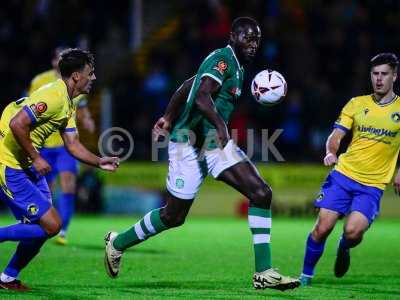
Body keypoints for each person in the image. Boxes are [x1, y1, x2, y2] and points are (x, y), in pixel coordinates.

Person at [104, 17, 300, 290]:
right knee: (173, 216)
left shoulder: (237, 67)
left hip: (211, 144)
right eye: (248, 38)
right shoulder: (223, 59)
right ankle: (118, 242)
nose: (253, 45)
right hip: (190, 143)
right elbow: (200, 95)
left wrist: (169, 117)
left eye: (257, 40)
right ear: (233, 36)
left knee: (261, 193)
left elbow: (189, 84)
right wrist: (218, 124)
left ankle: (264, 272)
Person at [0, 48, 119, 291]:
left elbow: (73, 144)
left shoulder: (69, 101)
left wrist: (98, 161)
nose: (94, 78)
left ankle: (7, 278)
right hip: (11, 164)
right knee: (52, 225)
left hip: (26, 164)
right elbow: (17, 123)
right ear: (76, 76)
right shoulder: (54, 96)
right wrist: (35, 157)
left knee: (45, 228)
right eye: (90, 73)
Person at [299, 53, 400, 286]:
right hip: (343, 175)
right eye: (375, 74)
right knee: (322, 228)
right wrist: (330, 152)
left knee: (353, 233)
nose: (379, 79)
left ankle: (344, 247)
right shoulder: (357, 104)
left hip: (373, 185)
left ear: (394, 76)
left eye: (384, 74)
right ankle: (305, 277)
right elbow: (336, 136)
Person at [28, 47, 96, 246]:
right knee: (46, 190)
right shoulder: (40, 82)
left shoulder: (78, 84)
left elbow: (81, 107)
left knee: (68, 185)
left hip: (65, 144)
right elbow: (27, 111)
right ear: (53, 62)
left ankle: (63, 230)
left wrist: (88, 120)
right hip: (42, 145)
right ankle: (46, 225)